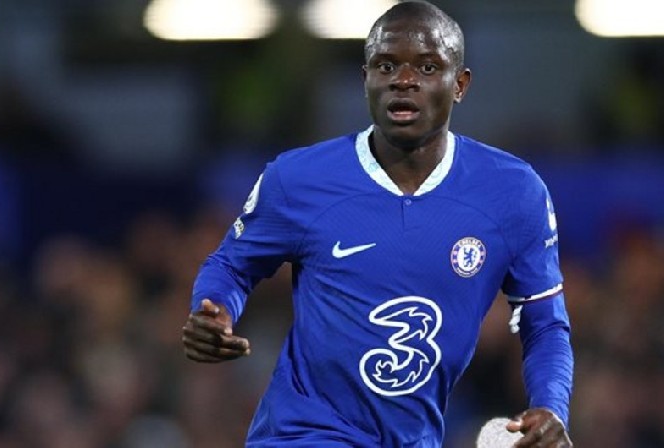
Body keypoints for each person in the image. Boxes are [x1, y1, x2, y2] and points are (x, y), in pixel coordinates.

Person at [182, 1, 574, 447]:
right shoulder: (298, 179)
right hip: (303, 435)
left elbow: (544, 323)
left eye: (427, 67)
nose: (403, 80)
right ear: (365, 78)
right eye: (386, 65)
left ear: (460, 84)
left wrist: (551, 406)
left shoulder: (513, 192)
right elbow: (232, 265)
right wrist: (214, 309)